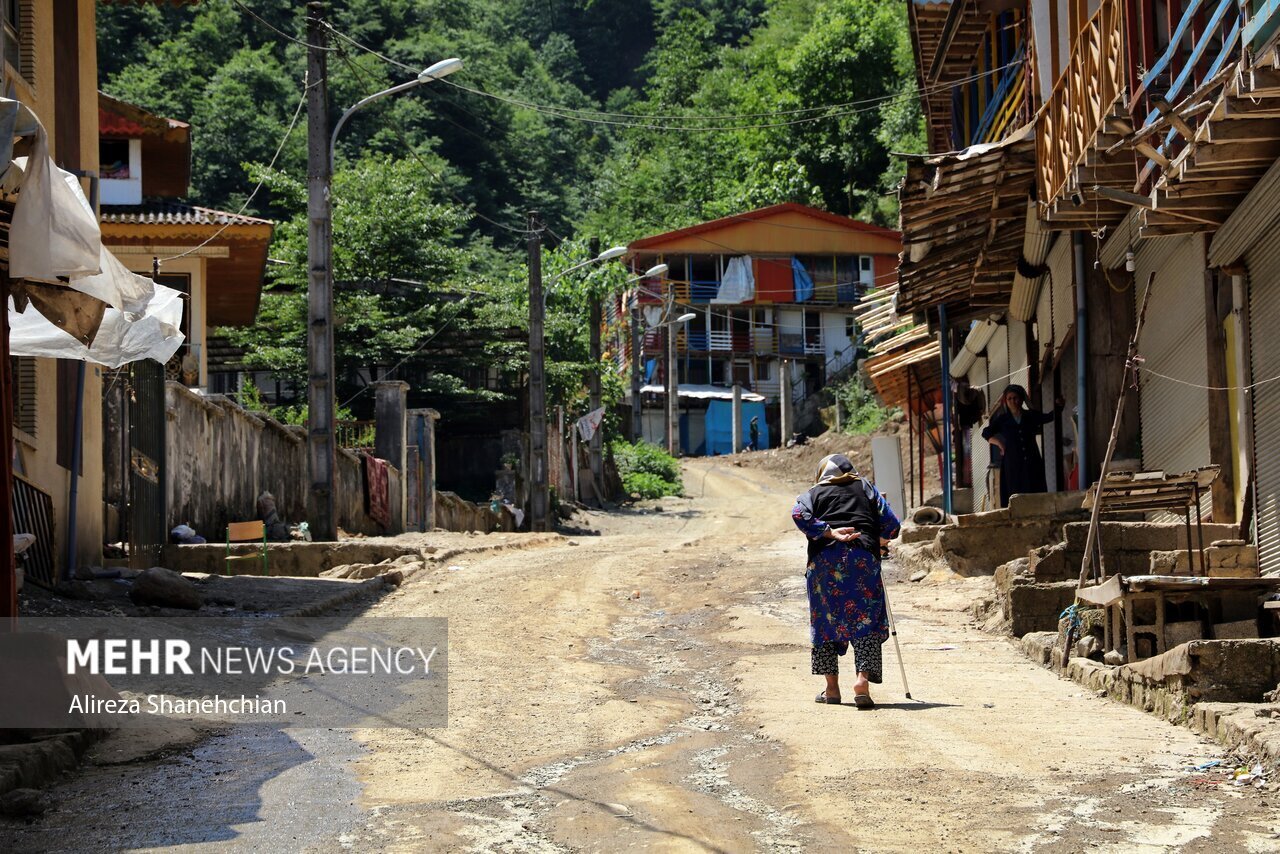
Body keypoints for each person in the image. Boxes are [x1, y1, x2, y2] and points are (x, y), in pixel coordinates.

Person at [791, 454, 900, 708]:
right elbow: (892, 525)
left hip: (824, 562)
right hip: (862, 558)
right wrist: (878, 539)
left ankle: (832, 689)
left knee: (825, 621)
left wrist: (828, 531)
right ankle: (862, 682)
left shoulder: (812, 493)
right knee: (867, 619)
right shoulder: (866, 488)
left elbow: (798, 513)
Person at [981, 384, 1063, 508]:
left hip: (1032, 459)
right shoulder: (1003, 419)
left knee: (1034, 488)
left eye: (1015, 398)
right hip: (1012, 462)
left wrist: (1059, 406)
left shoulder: (1030, 416)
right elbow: (986, 433)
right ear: (1006, 401)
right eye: (1009, 398)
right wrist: (999, 443)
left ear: (1021, 399)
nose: (1012, 401)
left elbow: (1048, 417)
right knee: (1015, 491)